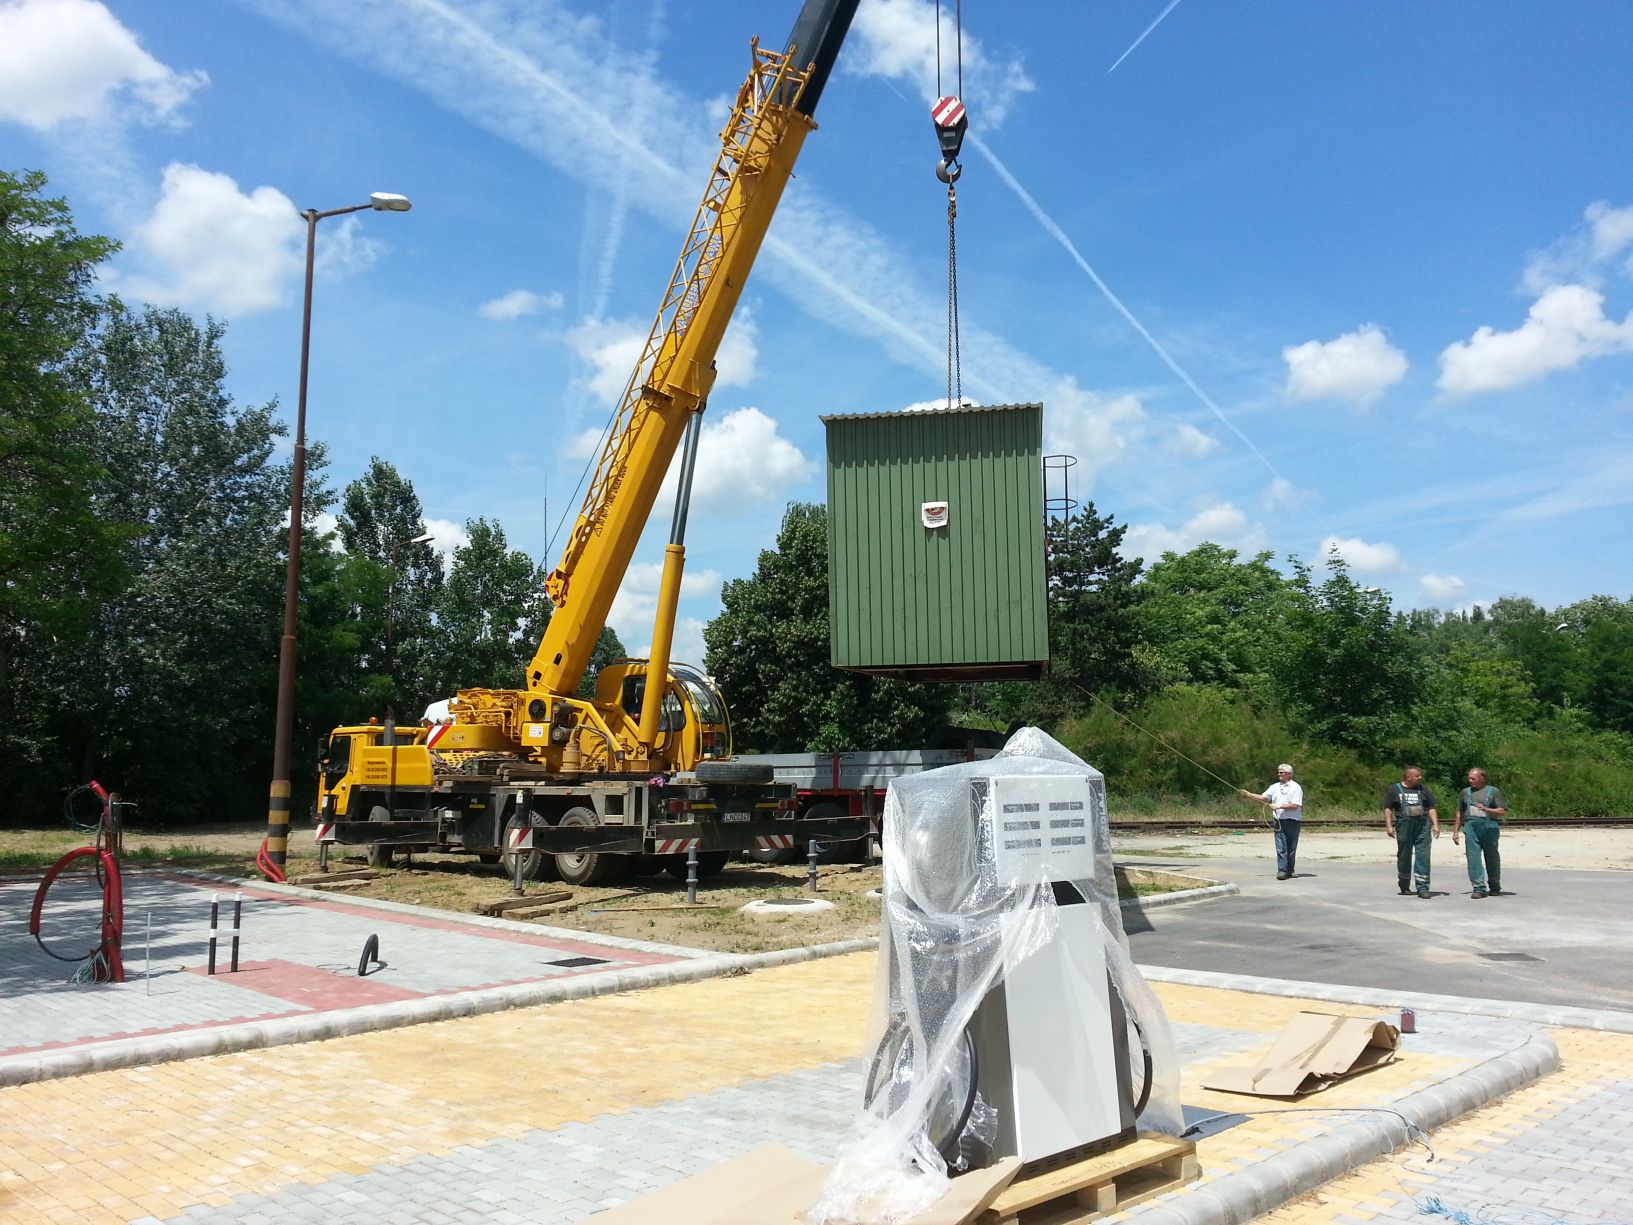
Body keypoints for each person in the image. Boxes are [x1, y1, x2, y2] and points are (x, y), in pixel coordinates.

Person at [1383, 765, 1439, 899]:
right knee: (1404, 856)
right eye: (1417, 776)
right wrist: (1389, 826)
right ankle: (1404, 885)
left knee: (1423, 857)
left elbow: (1431, 808)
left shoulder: (1424, 790)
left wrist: (1435, 824)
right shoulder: (1394, 789)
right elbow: (1388, 808)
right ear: (1408, 777)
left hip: (1422, 826)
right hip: (1404, 826)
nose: (1420, 777)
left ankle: (1423, 887)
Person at [1240, 763, 1303, 880]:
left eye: (1282, 772)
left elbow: (1295, 805)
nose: (1279, 774)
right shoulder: (1274, 787)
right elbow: (1264, 798)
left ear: (1289, 774)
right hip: (1279, 821)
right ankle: (1282, 870)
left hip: (1293, 821)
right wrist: (1249, 795)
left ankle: (1290, 870)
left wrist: (1279, 806)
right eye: (1279, 772)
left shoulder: (1296, 787)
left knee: (1291, 847)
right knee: (1281, 847)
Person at [1454, 767, 1507, 899]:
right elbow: (1460, 813)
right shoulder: (1465, 793)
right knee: (1473, 858)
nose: (1470, 781)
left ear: (1482, 778)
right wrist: (1456, 831)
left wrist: (1487, 809)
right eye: (1469, 778)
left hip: (1489, 828)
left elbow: (1501, 811)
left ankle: (1494, 886)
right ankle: (1478, 887)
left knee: (1492, 857)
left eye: (1473, 778)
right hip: (1471, 828)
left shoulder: (1493, 791)